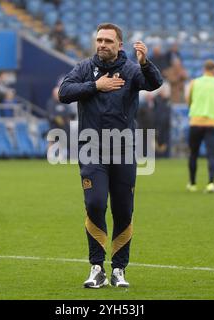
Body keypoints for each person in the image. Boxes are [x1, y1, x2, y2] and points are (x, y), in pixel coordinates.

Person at [58, 23, 162, 288]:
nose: (102, 45)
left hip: (124, 149)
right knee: (94, 203)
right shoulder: (83, 69)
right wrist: (96, 86)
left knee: (123, 209)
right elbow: (64, 93)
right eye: (99, 40)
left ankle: (118, 270)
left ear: (119, 45)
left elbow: (154, 84)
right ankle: (96, 267)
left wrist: (146, 63)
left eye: (107, 41)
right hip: (91, 148)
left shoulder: (130, 70)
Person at [186, 60, 214, 193]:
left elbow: (188, 100)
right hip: (212, 123)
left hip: (195, 121)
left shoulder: (194, 82)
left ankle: (192, 183)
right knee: (211, 154)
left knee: (193, 154)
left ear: (204, 69)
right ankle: (211, 183)